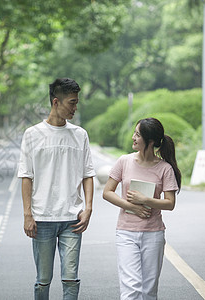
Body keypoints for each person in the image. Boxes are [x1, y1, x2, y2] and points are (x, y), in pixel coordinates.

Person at [17, 78, 96, 300]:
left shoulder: (80, 134)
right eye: (71, 103)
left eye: (76, 102)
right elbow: (26, 176)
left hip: (72, 219)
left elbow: (88, 174)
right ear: (55, 102)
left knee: (71, 278)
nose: (75, 108)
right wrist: (27, 215)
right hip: (42, 219)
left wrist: (88, 207)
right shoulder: (32, 134)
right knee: (43, 280)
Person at [102, 117, 182, 300]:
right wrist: (133, 206)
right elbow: (107, 192)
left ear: (150, 141)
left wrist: (146, 200)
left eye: (137, 135)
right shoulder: (124, 161)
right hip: (126, 232)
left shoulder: (164, 168)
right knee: (131, 288)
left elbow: (170, 203)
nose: (133, 137)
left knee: (149, 290)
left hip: (153, 233)